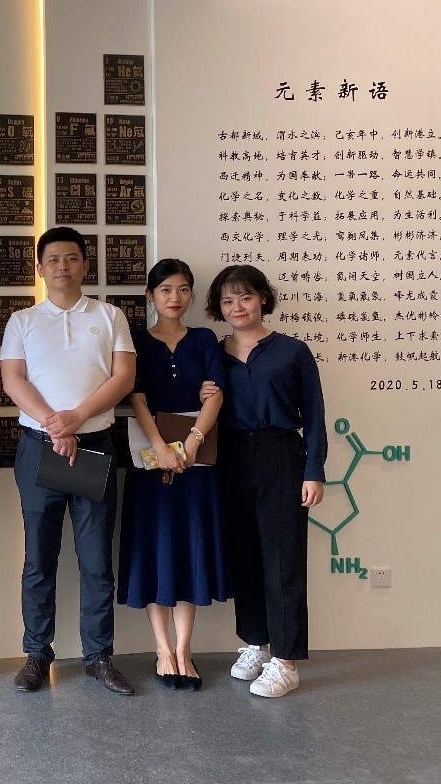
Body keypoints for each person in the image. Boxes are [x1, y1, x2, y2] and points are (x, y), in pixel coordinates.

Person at [0, 226, 137, 696]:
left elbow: (123, 377)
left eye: (72, 258)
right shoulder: (22, 321)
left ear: (85, 265)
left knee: (96, 560)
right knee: (39, 559)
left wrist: (76, 418)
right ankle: (37, 653)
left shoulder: (110, 316)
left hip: (94, 446)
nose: (63, 266)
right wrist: (56, 426)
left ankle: (99, 656)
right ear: (40, 268)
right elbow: (13, 380)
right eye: (53, 259)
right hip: (39, 447)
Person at [207, 264, 326, 699]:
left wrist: (314, 470)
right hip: (230, 457)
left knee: (283, 559)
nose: (237, 307)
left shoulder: (292, 351)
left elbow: (315, 415)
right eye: (228, 300)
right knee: (244, 558)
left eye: (245, 297)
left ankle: (287, 661)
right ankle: (256, 644)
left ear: (262, 299)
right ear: (219, 307)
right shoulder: (213, 353)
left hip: (281, 455)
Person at [118, 258, 230, 691]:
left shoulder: (204, 339)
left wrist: (194, 441)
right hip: (152, 462)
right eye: (165, 290)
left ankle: (184, 650)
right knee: (155, 549)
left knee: (189, 547)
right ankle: (162, 650)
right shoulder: (136, 342)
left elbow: (216, 394)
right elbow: (137, 398)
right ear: (151, 296)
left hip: (197, 463)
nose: (175, 297)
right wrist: (162, 448)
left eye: (183, 289)